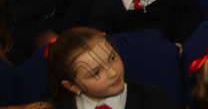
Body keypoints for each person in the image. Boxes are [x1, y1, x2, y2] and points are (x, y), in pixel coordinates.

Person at [46, 26, 175, 108]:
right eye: (95, 73)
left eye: (112, 58)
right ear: (72, 86)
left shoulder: (152, 99)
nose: (113, 73)